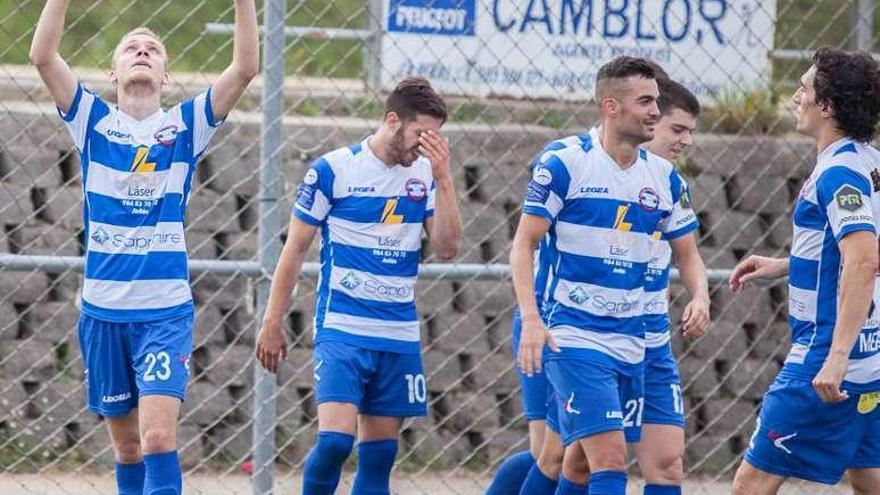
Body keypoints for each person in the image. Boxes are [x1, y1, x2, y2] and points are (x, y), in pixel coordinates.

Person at [28, 1, 259, 493]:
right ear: (112, 71)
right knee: (128, 447)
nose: (142, 51)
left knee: (157, 438)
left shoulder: (185, 125)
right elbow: (44, 56)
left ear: (165, 75)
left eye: (152, 49)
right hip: (103, 312)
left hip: (163, 312)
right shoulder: (91, 120)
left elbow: (244, 68)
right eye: (131, 47)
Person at [255, 76, 462, 495]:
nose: (425, 147)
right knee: (334, 442)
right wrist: (272, 320)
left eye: (435, 139)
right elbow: (293, 250)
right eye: (422, 134)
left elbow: (446, 248)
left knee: (380, 455)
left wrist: (444, 178)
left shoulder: (424, 174)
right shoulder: (334, 170)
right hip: (343, 328)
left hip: (397, 331)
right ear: (392, 120)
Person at [511, 56, 700, 495]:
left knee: (585, 461)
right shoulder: (565, 162)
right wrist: (532, 321)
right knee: (595, 458)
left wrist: (701, 297)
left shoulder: (665, 180)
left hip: (640, 339)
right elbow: (523, 244)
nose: (656, 110)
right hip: (571, 333)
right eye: (647, 102)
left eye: (658, 102)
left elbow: (689, 255)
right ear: (611, 107)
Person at [729, 47, 880, 495]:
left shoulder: (838, 173)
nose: (796, 96)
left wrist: (835, 358)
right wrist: (784, 265)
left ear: (828, 107)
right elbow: (864, 250)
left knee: (750, 484)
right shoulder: (870, 162)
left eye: (805, 88)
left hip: (826, 356)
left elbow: (864, 259)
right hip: (871, 356)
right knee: (870, 478)